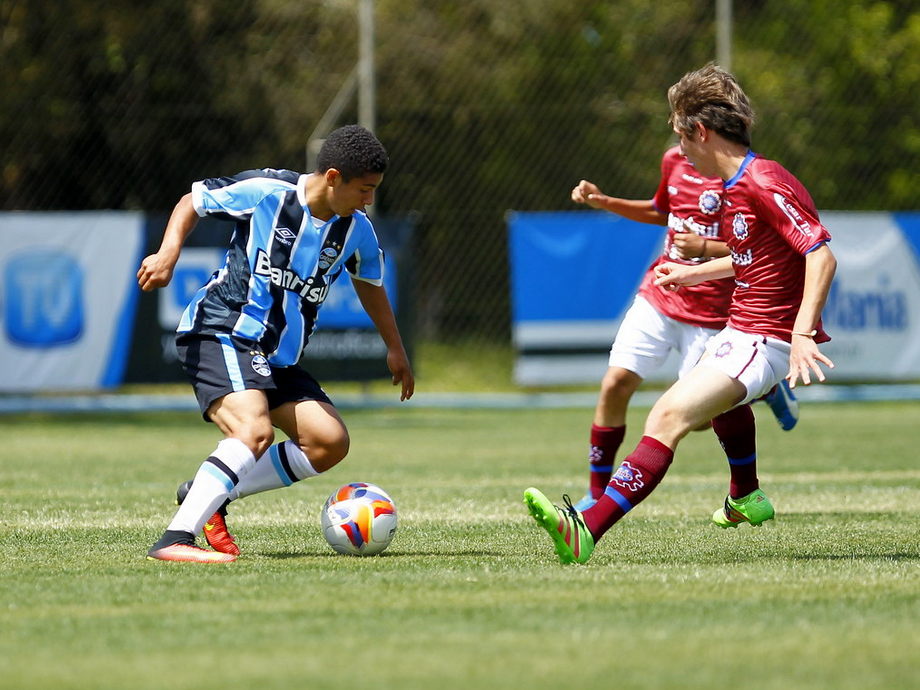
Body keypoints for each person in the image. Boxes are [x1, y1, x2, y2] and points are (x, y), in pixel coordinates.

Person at [525, 63, 837, 564]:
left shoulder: (761, 180)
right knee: (712, 409)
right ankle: (746, 494)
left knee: (668, 415)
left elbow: (820, 255)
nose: (680, 150)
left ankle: (586, 529)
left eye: (681, 135)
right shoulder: (736, 182)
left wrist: (801, 333)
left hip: (765, 337)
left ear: (701, 131)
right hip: (740, 328)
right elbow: (752, 256)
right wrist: (694, 273)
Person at [138, 124, 414, 563]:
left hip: (275, 357)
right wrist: (168, 253)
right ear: (333, 177)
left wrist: (394, 347)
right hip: (222, 330)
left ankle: (210, 493)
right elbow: (193, 200)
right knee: (253, 431)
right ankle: (175, 538)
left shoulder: (356, 230)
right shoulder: (269, 191)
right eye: (365, 189)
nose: (369, 200)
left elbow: (369, 281)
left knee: (328, 442)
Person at [568, 146, 799, 514]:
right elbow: (662, 211)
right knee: (615, 383)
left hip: (712, 312)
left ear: (702, 129)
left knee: (701, 419)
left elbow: (765, 247)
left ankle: (764, 389)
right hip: (660, 293)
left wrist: (704, 247)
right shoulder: (674, 159)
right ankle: (596, 494)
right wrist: (605, 201)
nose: (678, 138)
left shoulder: (747, 178)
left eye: (682, 128)